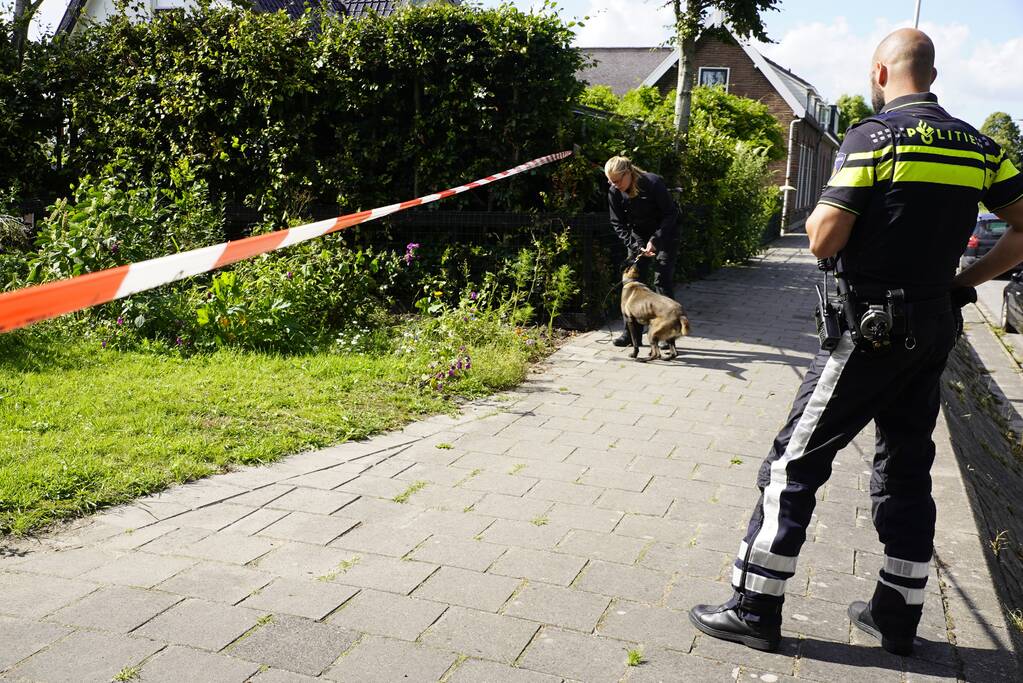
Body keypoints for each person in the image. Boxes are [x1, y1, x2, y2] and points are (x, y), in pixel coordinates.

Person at [689, 28, 1023, 655]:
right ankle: (897, 617)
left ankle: (754, 606)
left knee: (794, 462)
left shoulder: (874, 138)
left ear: (880, 73)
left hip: (871, 330)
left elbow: (823, 237)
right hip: (934, 326)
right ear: (932, 75)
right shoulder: (980, 146)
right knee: (907, 466)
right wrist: (964, 281)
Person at [604, 156, 682, 348]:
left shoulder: (653, 183)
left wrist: (655, 239)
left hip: (665, 233)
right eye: (611, 181)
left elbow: (671, 213)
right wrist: (634, 246)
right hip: (638, 236)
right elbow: (617, 223)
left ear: (628, 173)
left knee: (662, 280)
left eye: (617, 180)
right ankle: (631, 335)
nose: (614, 185)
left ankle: (667, 335)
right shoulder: (614, 191)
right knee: (633, 282)